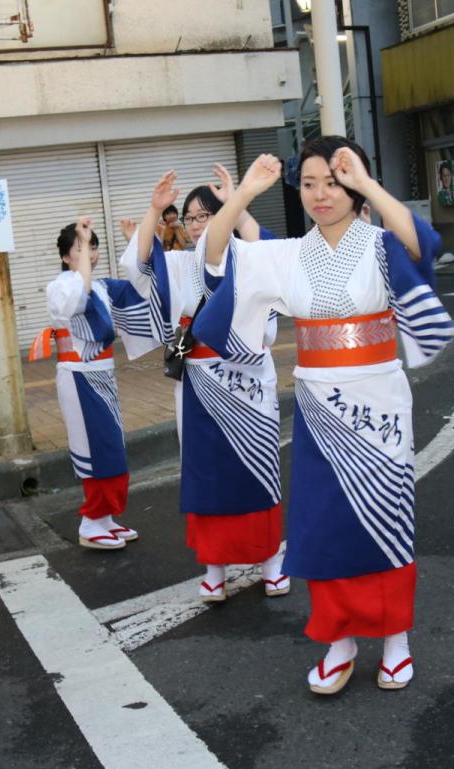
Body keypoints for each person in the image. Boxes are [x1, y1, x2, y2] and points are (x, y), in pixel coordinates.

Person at [196, 138, 454, 695]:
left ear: (353, 184)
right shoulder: (287, 253)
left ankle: (395, 641)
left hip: (379, 399)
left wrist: (367, 183)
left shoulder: (381, 243)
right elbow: (216, 258)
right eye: (309, 183)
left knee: (385, 519)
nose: (320, 194)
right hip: (319, 404)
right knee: (324, 521)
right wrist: (244, 194)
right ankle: (337, 641)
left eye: (333, 182)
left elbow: (419, 245)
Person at [119, 164, 287, 602]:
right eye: (189, 217)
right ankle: (215, 568)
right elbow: (139, 267)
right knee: (205, 473)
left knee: (257, 470)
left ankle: (271, 560)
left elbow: (270, 250)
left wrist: (239, 197)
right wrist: (153, 212)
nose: (195, 225)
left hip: (247, 378)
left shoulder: (246, 252)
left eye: (204, 215)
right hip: (198, 381)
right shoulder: (178, 262)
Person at [31, 218, 161, 550]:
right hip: (79, 377)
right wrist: (85, 269)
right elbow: (74, 302)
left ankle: (105, 518)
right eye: (80, 248)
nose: (89, 253)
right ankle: (91, 520)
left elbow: (142, 290)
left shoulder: (102, 286)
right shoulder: (60, 286)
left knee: (112, 448)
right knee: (96, 448)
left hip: (102, 376)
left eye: (92, 246)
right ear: (65, 257)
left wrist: (138, 244)